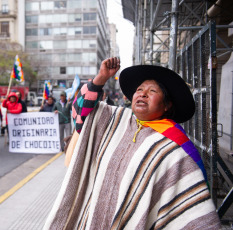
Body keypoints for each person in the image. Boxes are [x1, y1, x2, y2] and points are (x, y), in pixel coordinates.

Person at [44, 57, 221, 229]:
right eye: (139, 89)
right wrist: (101, 78)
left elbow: (189, 206)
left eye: (152, 91)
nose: (143, 93)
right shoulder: (114, 121)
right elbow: (80, 114)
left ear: (167, 105)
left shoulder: (175, 145)